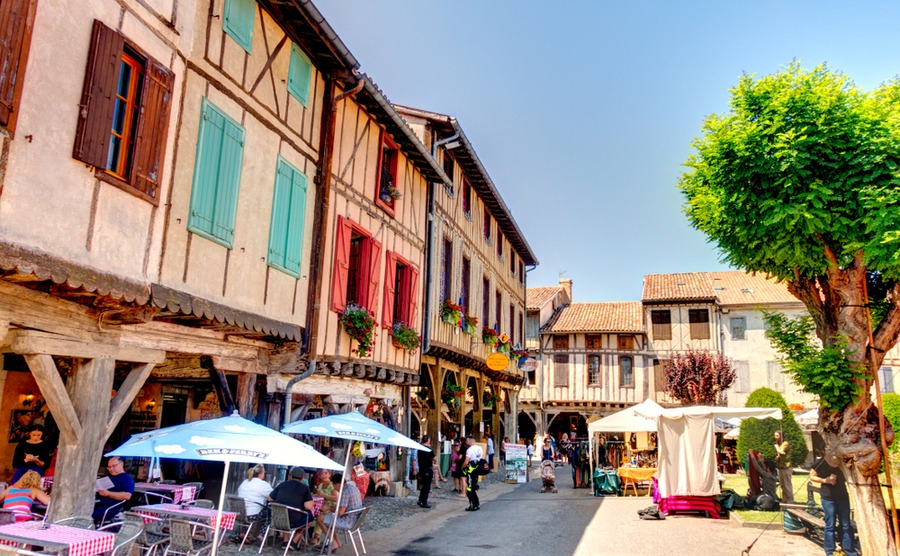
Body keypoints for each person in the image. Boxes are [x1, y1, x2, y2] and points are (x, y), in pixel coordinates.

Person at [810, 452, 857, 556]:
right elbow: (812, 477)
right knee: (830, 525)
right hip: (828, 498)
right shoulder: (820, 463)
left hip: (842, 497)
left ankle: (849, 550)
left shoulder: (842, 462)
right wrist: (825, 480)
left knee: (845, 524)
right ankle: (830, 551)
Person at [269, 466, 315, 549]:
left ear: (290, 475)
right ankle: (294, 542)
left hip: (277, 518)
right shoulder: (304, 488)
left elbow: (269, 498)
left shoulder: (282, 484)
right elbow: (308, 506)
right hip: (294, 521)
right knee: (310, 517)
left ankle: (285, 542)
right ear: (302, 477)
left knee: (286, 511)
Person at [317, 473, 362, 551]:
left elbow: (341, 512)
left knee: (320, 518)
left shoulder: (345, 492)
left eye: (334, 485)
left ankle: (334, 543)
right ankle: (337, 542)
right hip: (356, 519)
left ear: (337, 484)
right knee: (329, 518)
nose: (334, 488)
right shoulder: (354, 488)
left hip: (348, 521)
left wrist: (329, 508)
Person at [93, 456, 134, 525]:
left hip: (108, 508)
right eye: (109, 467)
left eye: (114, 466)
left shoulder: (126, 478)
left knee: (86, 516)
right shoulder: (107, 477)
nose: (111, 469)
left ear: (121, 464)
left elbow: (127, 496)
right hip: (95, 503)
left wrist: (108, 494)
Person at [462, 434, 484, 512]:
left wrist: (462, 467)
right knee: (473, 487)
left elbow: (466, 461)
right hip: (477, 469)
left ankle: (473, 505)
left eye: (467, 440)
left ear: (471, 441)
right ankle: (476, 504)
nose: (466, 442)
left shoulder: (469, 450)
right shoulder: (480, 448)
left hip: (471, 471)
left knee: (470, 489)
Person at [773, 430, 793, 504]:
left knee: (787, 484)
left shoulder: (785, 443)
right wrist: (777, 458)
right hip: (781, 467)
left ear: (781, 436)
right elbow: (781, 454)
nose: (775, 437)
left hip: (786, 467)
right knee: (783, 485)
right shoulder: (780, 444)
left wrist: (777, 447)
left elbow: (781, 451)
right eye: (775, 435)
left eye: (777, 435)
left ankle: (790, 501)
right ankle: (785, 499)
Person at [417, 435, 435, 508]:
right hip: (427, 468)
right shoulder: (429, 449)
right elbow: (435, 459)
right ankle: (424, 502)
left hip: (421, 468)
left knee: (423, 485)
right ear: (428, 440)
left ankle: (420, 500)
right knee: (427, 486)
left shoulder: (420, 449)